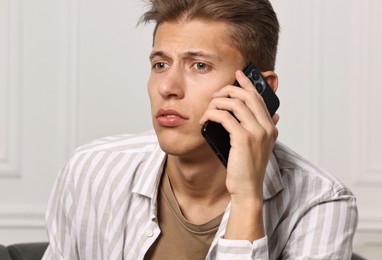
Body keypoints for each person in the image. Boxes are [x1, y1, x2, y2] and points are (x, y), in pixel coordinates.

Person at [42, 0, 358, 259]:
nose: (167, 87)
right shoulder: (91, 171)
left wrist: (247, 200)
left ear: (260, 90)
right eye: (160, 64)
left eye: (200, 65)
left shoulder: (321, 202)